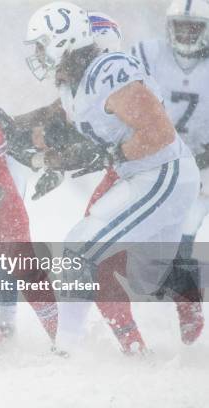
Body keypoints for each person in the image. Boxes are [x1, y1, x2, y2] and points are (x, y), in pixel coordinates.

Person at [23, 1, 200, 354]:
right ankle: (183, 287)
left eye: (43, 44)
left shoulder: (110, 69)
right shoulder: (76, 84)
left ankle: (67, 350)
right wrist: (39, 153)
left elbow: (160, 134)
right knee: (146, 277)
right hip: (143, 175)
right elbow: (67, 131)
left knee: (79, 249)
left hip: (160, 173)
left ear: (63, 41)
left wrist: (108, 156)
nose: (39, 54)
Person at [130, 0, 208, 343]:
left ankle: (189, 316)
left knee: (182, 243)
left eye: (194, 28)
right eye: (181, 27)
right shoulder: (148, 55)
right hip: (158, 161)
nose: (187, 34)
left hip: (203, 166)